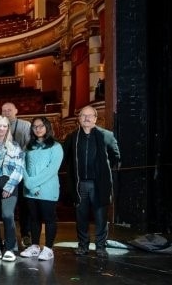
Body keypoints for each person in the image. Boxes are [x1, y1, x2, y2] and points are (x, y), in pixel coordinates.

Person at [63, 105, 120, 258]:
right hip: (80, 184)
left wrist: (103, 172)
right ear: (79, 119)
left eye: (90, 116)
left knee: (101, 217)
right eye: (83, 115)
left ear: (95, 118)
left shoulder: (106, 135)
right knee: (81, 217)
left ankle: (100, 247)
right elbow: (65, 159)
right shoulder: (72, 137)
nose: (86, 118)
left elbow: (115, 157)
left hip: (99, 184)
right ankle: (83, 246)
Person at [19, 116, 63, 261]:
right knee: (34, 219)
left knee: (49, 219)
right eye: (35, 126)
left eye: (41, 126)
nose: (38, 129)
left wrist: (33, 184)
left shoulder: (56, 146)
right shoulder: (28, 146)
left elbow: (52, 170)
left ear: (47, 127)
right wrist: (29, 184)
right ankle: (35, 246)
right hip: (30, 191)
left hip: (47, 190)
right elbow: (22, 166)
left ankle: (49, 249)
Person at [0, 115, 24, 262]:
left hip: (10, 182)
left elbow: (19, 168)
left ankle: (9, 247)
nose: (1, 129)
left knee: (8, 215)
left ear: (8, 128)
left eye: (4, 126)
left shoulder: (15, 146)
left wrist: (9, 186)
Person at [1, 102, 32, 247]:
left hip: (21, 170)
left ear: (16, 111)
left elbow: (28, 146)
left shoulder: (25, 125)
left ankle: (26, 235)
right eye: (4, 111)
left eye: (9, 110)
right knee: (7, 208)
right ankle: (9, 237)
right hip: (5, 173)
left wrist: (15, 158)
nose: (7, 112)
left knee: (24, 206)